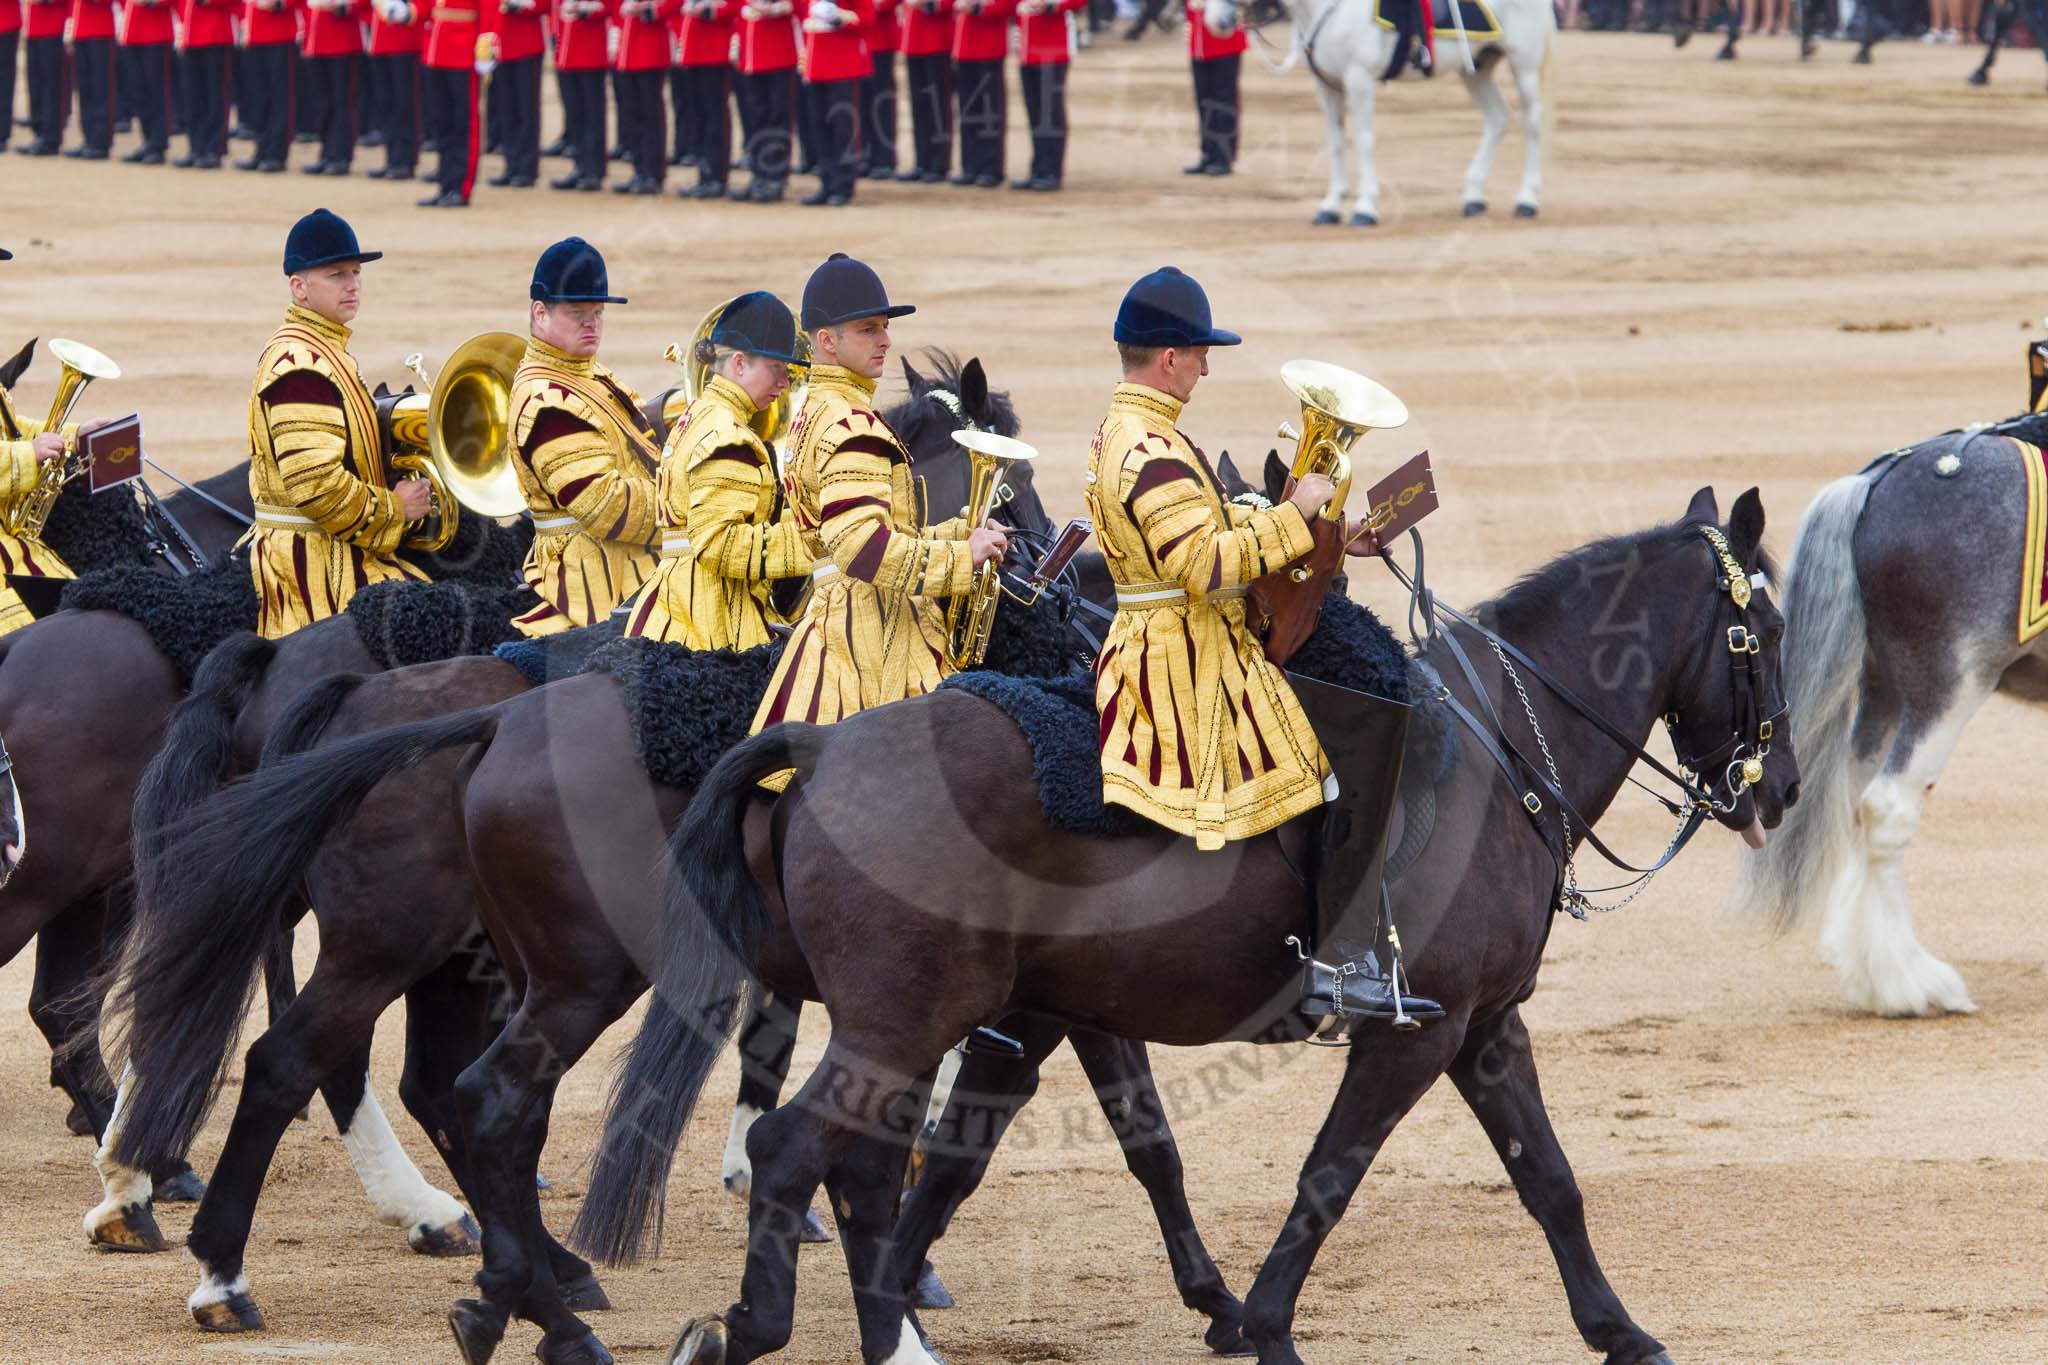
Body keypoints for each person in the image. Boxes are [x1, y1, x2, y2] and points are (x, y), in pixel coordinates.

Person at [1087, 267, 1433, 1020]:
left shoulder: (1138, 430)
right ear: (1169, 356)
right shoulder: (1151, 446)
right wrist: (1294, 512)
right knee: (1358, 734)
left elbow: (1203, 538)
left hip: (1176, 634)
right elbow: (1202, 566)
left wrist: (1325, 532)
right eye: (1201, 353)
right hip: (1184, 657)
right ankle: (1342, 958)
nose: (1208, 367)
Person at [749, 254, 1009, 751]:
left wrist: (959, 532)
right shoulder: (852, 425)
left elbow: (853, 534)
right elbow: (864, 549)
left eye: (884, 328)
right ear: (828, 341)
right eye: (868, 329)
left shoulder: (813, 414)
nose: (885, 341)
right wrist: (963, 556)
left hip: (832, 627)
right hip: (873, 642)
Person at [245, 210, 432, 638]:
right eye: (336, 274)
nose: (352, 284)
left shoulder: (321, 347)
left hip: (330, 548)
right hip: (315, 568)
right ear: (299, 287)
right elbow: (317, 486)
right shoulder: (300, 365)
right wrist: (397, 508)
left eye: (355, 272)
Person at [626, 292, 812, 647]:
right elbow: (720, 545)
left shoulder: (696, 416)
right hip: (714, 620)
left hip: (675, 600)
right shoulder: (728, 437)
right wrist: (813, 543)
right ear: (739, 364)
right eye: (776, 368)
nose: (785, 383)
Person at [507, 238, 662, 636]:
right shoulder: (547, 399)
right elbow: (606, 506)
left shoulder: (589, 374)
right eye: (577, 313)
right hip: (594, 585)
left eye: (597, 312)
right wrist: (690, 502)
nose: (592, 322)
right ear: (540, 314)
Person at [796, 0, 870, 204]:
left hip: (842, 64)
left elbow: (867, 17)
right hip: (815, 65)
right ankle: (827, 183)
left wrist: (838, 18)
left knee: (842, 129)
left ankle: (844, 186)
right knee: (821, 128)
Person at [729, 0, 797, 201]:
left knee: (777, 118)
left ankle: (775, 176)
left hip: (778, 51)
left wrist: (777, 7)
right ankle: (759, 174)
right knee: (756, 118)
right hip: (751, 52)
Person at [418, 0, 485, 203]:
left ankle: (460, 187)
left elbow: (489, 8)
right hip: (435, 48)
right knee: (442, 121)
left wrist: (487, 41)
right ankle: (446, 183)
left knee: (463, 122)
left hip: (463, 47)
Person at [672, 0, 737, 196]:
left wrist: (709, 10)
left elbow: (734, 7)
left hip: (714, 49)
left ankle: (717, 177)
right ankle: (705, 174)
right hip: (693, 49)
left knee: (715, 116)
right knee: (699, 117)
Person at [1013, 0, 1080, 190]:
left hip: (1051, 49)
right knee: (1035, 114)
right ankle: (1039, 168)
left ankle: (1051, 171)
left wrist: (1049, 4)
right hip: (1027, 50)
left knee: (1050, 114)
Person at [611, 0, 676, 193]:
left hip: (649, 49)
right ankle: (639, 170)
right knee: (632, 115)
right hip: (626, 50)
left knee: (651, 116)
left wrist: (648, 10)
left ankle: (653, 173)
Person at [482, 0, 546, 185]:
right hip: (501, 44)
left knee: (526, 110)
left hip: (527, 44)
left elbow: (545, 5)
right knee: (507, 110)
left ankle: (526, 168)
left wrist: (520, 4)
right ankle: (511, 164)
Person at [300, 0, 366, 175]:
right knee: (323, 103)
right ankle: (326, 153)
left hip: (342, 40)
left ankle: (340, 155)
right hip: (316, 40)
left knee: (342, 101)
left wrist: (346, 6)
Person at [550, 0, 611, 190]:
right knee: (575, 115)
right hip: (567, 53)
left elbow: (607, 6)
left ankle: (593, 169)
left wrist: (584, 9)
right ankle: (580, 165)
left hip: (590, 52)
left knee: (592, 116)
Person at [949, 0, 1008, 186]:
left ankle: (991, 167)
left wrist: (978, 8)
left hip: (989, 44)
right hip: (965, 46)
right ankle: (970, 165)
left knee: (990, 110)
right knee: (967, 110)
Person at [365, 0, 424, 178]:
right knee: (386, 104)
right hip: (380, 40)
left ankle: (406, 159)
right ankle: (392, 158)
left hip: (405, 39)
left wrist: (407, 11)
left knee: (404, 104)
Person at [234, 0, 295, 171]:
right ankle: (261, 149)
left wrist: (280, 3)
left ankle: (276, 153)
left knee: (279, 97)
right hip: (254, 35)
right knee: (258, 98)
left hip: (279, 33)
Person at [1185, 0, 1242, 175]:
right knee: (1204, 100)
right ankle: (1208, 154)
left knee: (1223, 102)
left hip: (1224, 41)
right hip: (1199, 41)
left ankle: (1224, 157)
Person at [116, 0, 176, 163]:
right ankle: (148, 140)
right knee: (139, 93)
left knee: (157, 92)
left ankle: (158, 143)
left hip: (156, 31)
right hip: (132, 31)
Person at [898, 0, 951, 181]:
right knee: (919, 106)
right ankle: (922, 161)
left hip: (936, 39)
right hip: (914, 40)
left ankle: (938, 163)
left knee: (936, 105)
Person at [64, 0, 115, 160]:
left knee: (100, 88)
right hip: (80, 31)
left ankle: (100, 142)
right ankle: (89, 137)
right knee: (84, 89)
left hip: (100, 29)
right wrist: (70, 32)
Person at [17, 0, 66, 158]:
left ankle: (50, 137)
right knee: (35, 84)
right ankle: (39, 133)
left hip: (52, 26)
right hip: (33, 27)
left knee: (50, 85)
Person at [857, 0, 897, 178]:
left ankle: (883, 159)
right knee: (862, 102)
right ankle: (864, 155)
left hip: (881, 39)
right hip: (860, 40)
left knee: (881, 102)